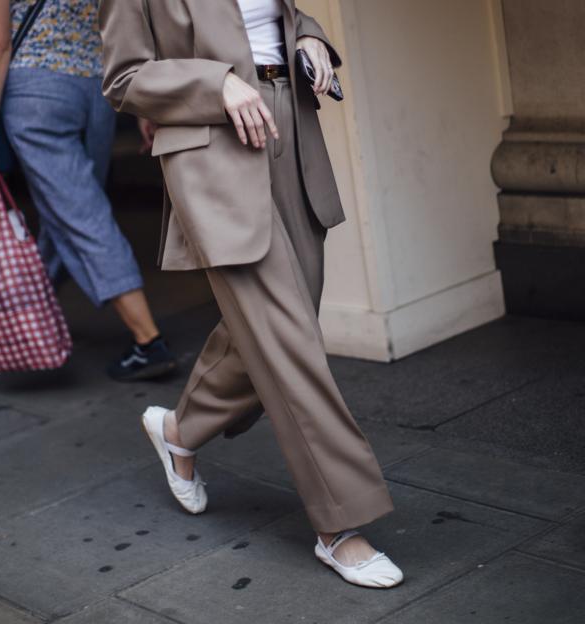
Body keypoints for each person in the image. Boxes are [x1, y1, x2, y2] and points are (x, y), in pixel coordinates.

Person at [99, 0, 404, 588]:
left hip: (291, 127)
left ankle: (178, 433)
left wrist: (311, 38)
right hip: (213, 150)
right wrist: (217, 85)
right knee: (287, 342)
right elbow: (125, 78)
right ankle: (342, 525)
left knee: (271, 331)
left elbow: (279, 17)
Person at [0, 0, 177, 382]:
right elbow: (120, 25)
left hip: (36, 92)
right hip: (94, 91)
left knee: (81, 213)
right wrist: (140, 105)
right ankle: (28, 311)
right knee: (68, 206)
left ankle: (149, 341)